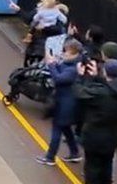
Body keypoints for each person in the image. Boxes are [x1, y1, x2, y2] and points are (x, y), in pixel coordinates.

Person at [75, 59, 117, 184]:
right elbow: (109, 88)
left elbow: (79, 92)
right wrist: (96, 77)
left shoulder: (101, 93)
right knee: (106, 168)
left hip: (94, 138)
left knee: (92, 170)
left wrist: (80, 76)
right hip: (111, 138)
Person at [36, 38, 85, 166]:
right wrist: (54, 63)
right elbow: (60, 69)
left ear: (75, 53)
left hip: (65, 104)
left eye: (66, 52)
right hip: (64, 102)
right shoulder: (70, 64)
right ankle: (75, 153)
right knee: (66, 128)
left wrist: (51, 64)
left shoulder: (74, 69)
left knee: (57, 129)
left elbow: (59, 78)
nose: (63, 54)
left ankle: (50, 156)